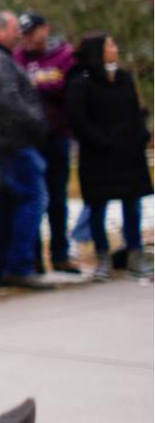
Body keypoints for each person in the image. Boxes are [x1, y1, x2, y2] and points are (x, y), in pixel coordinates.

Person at [65, 33, 154, 280]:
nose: (115, 48)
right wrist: (101, 141)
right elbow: (78, 119)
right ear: (98, 51)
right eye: (111, 45)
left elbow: (136, 111)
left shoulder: (124, 78)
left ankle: (135, 254)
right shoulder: (81, 82)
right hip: (99, 155)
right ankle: (102, 256)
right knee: (97, 205)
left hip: (129, 153)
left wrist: (141, 136)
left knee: (132, 203)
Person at [0, 11, 52, 290]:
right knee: (33, 198)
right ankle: (19, 265)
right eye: (13, 29)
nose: (18, 34)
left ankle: (6, 266)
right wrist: (37, 125)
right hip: (14, 144)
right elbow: (10, 103)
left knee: (5, 205)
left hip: (2, 144)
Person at [14, 12, 79, 274]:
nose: (28, 38)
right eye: (24, 34)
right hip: (29, 138)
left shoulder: (63, 55)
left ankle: (60, 254)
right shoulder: (16, 58)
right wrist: (45, 84)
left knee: (57, 197)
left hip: (57, 135)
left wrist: (39, 86)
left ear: (45, 29)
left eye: (33, 32)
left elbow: (68, 88)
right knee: (33, 198)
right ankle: (34, 258)